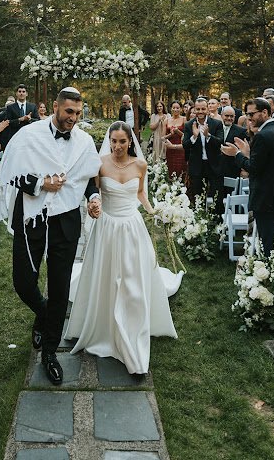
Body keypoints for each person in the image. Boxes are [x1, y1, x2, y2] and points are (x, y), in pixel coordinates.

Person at [0, 87, 100, 385]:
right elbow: (12, 174)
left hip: (66, 221)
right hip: (32, 218)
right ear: (55, 106)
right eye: (69, 112)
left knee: (60, 285)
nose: (73, 119)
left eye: (78, 113)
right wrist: (41, 183)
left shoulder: (84, 141)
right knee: (23, 282)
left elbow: (89, 178)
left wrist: (93, 198)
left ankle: (50, 352)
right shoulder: (30, 135)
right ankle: (43, 313)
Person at [65, 121, 177, 375]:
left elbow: (140, 194)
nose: (117, 146)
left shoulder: (140, 165)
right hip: (107, 226)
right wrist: (94, 207)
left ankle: (131, 324)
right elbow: (96, 194)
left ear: (130, 141)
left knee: (131, 278)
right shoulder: (100, 163)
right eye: (113, 141)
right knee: (106, 275)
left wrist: (156, 213)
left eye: (122, 141)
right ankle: (103, 323)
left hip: (132, 227)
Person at [221, 97, 274, 255]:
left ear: (265, 112)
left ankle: (268, 276)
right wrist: (247, 153)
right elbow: (269, 163)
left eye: (252, 114)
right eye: (247, 115)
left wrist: (237, 154)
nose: (249, 118)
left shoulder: (263, 135)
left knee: (267, 243)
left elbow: (253, 169)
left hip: (266, 198)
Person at [182, 96, 223, 204]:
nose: (200, 112)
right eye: (198, 109)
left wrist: (208, 135)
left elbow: (220, 142)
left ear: (207, 109)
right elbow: (185, 146)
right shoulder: (189, 125)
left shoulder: (216, 123)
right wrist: (194, 136)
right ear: (194, 109)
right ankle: (199, 217)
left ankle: (215, 217)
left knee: (215, 194)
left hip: (213, 164)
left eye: (203, 109)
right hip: (196, 165)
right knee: (197, 194)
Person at [164, 101, 186, 178]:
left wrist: (178, 131)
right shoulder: (166, 120)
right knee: (171, 168)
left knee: (181, 168)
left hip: (181, 148)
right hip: (170, 149)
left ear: (181, 109)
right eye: (174, 108)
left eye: (177, 108)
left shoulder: (184, 119)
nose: (175, 109)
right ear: (171, 109)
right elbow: (163, 137)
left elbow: (186, 136)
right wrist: (171, 134)